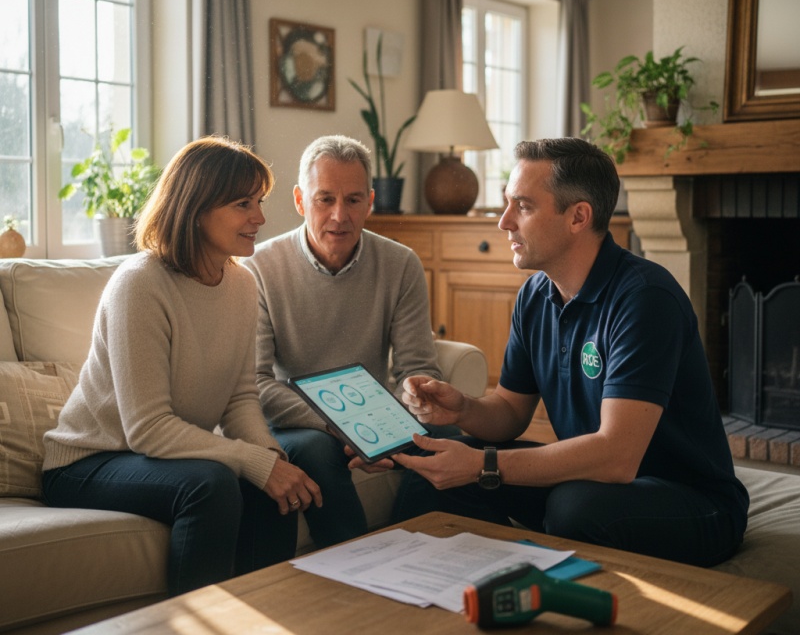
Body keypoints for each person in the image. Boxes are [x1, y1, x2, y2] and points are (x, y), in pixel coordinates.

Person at [391, 137, 749, 567]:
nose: (504, 222)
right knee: (436, 464)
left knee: (573, 507)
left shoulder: (645, 299)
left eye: (522, 206)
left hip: (691, 500)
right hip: (591, 483)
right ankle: (425, 590)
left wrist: (483, 465)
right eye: (507, 204)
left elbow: (617, 457)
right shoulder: (535, 295)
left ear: (579, 216)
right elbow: (509, 410)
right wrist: (463, 408)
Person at [42, 136, 322, 596]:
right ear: (195, 208)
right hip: (86, 463)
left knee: (272, 483)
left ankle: (268, 618)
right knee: (212, 483)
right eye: (242, 204)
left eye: (260, 202)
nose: (260, 218)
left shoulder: (241, 284)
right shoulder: (139, 284)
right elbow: (148, 428)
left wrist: (268, 457)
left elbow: (239, 398)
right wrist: (252, 460)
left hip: (150, 458)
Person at [245, 134, 451, 548]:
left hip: (373, 418)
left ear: (370, 202)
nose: (340, 216)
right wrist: (345, 429)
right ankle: (358, 562)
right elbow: (256, 384)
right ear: (301, 201)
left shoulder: (401, 264)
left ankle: (419, 554)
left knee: (453, 446)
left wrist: (410, 397)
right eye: (325, 200)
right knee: (318, 450)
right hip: (298, 423)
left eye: (354, 200)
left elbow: (416, 366)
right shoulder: (257, 268)